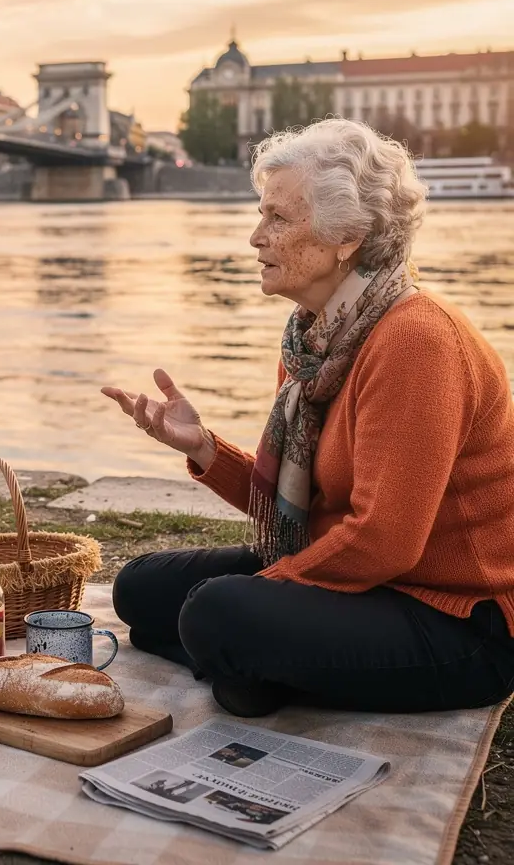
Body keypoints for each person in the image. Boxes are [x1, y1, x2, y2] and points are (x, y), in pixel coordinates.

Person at [103, 118, 514, 718]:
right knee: (138, 589)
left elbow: (384, 542)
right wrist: (204, 450)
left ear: (346, 235)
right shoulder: (314, 341)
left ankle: (248, 660)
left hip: (456, 620)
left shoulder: (417, 341)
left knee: (216, 612)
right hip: (369, 585)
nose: (255, 237)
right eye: (261, 213)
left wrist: (258, 595)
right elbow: (304, 505)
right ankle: (252, 666)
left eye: (278, 218)